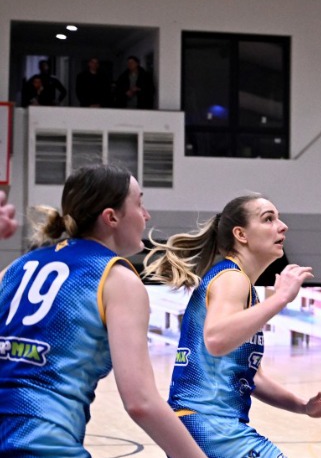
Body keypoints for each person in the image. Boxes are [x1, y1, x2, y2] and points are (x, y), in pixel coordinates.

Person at [0, 164, 206, 457]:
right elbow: (141, 402)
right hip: (41, 447)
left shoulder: (14, 268)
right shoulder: (116, 279)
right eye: (140, 204)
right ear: (111, 217)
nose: (146, 215)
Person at [143, 194, 321, 456]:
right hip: (211, 425)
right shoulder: (232, 278)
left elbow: (253, 378)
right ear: (241, 234)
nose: (282, 226)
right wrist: (280, 298)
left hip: (203, 424)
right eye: (268, 219)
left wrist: (303, 406)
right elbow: (216, 339)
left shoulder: (241, 285)